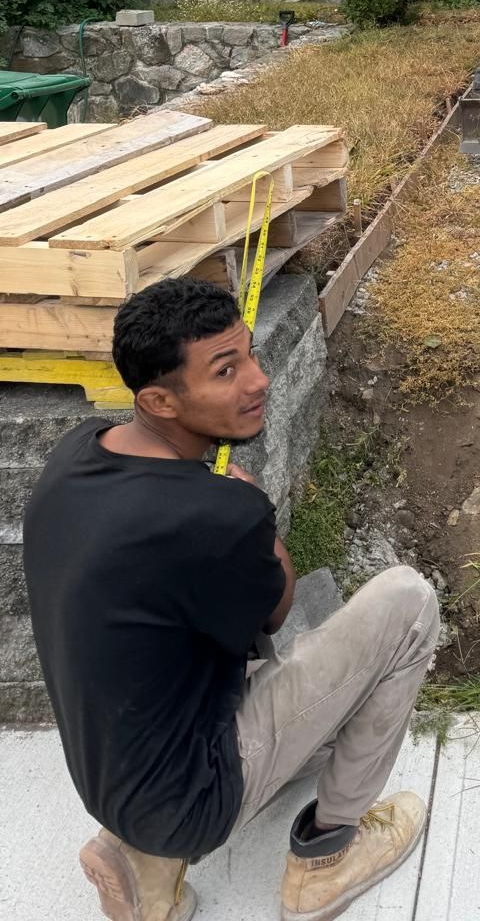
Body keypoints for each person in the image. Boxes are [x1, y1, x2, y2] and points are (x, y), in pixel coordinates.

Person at [22, 277, 440, 921]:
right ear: (160, 400)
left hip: (111, 779)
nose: (259, 380)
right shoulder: (215, 517)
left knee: (299, 641)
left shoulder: (76, 455)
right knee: (406, 603)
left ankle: (142, 864)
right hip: (193, 798)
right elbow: (275, 611)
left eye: (248, 354)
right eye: (226, 370)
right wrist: (253, 517)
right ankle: (326, 861)